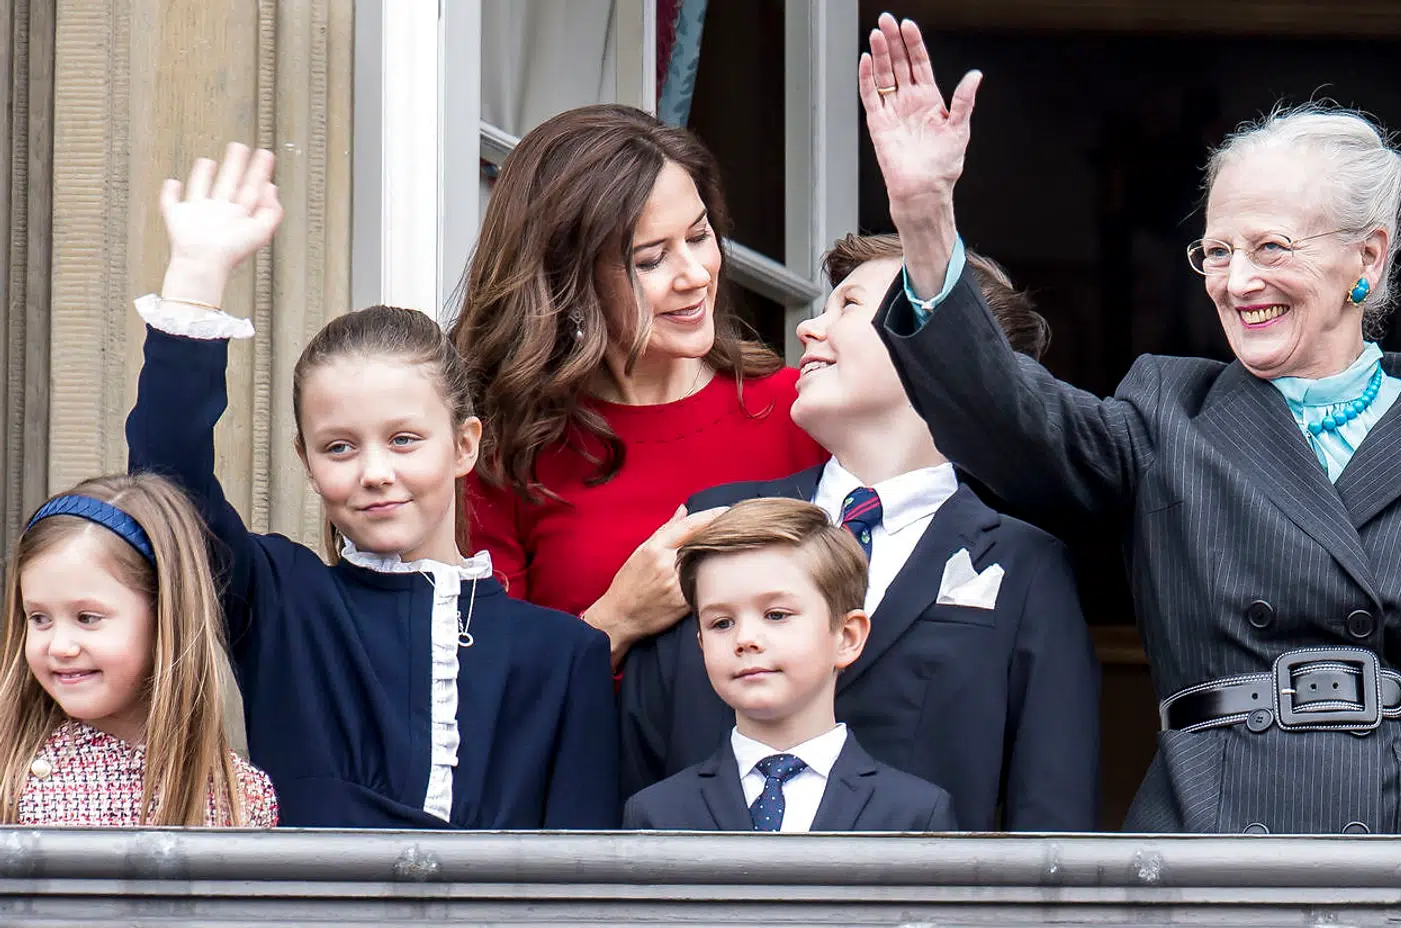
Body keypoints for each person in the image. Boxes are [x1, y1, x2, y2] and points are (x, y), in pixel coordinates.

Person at [862, 14, 1401, 834]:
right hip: (1218, 842)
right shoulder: (1169, 412)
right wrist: (925, 220)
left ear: (1368, 258)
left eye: (1271, 247)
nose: (1238, 281)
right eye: (1217, 251)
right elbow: (1008, 423)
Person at [126, 143, 619, 829]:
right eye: (340, 447)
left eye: (404, 439)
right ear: (306, 461)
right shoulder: (282, 600)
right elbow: (166, 483)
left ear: (465, 444)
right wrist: (197, 276)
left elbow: (583, 890)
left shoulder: (564, 653)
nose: (375, 471)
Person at [621, 232, 1099, 830]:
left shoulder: (1025, 566)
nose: (807, 330)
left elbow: (1052, 823)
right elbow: (635, 765)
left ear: (944, 349)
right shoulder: (713, 525)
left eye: (847, 306)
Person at [453, 104, 826, 666]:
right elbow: (489, 699)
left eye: (700, 236)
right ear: (566, 282)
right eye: (650, 260)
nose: (696, 274)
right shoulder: (503, 450)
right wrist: (615, 621)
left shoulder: (803, 409)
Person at [623, 498, 956, 831]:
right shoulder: (657, 811)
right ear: (701, 643)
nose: (745, 638)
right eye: (721, 623)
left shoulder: (915, 812)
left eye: (776, 615)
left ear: (847, 636)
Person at [0, 473, 276, 827]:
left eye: (87, 617)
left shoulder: (240, 798)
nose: (60, 646)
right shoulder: (10, 769)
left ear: (164, 617)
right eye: (39, 618)